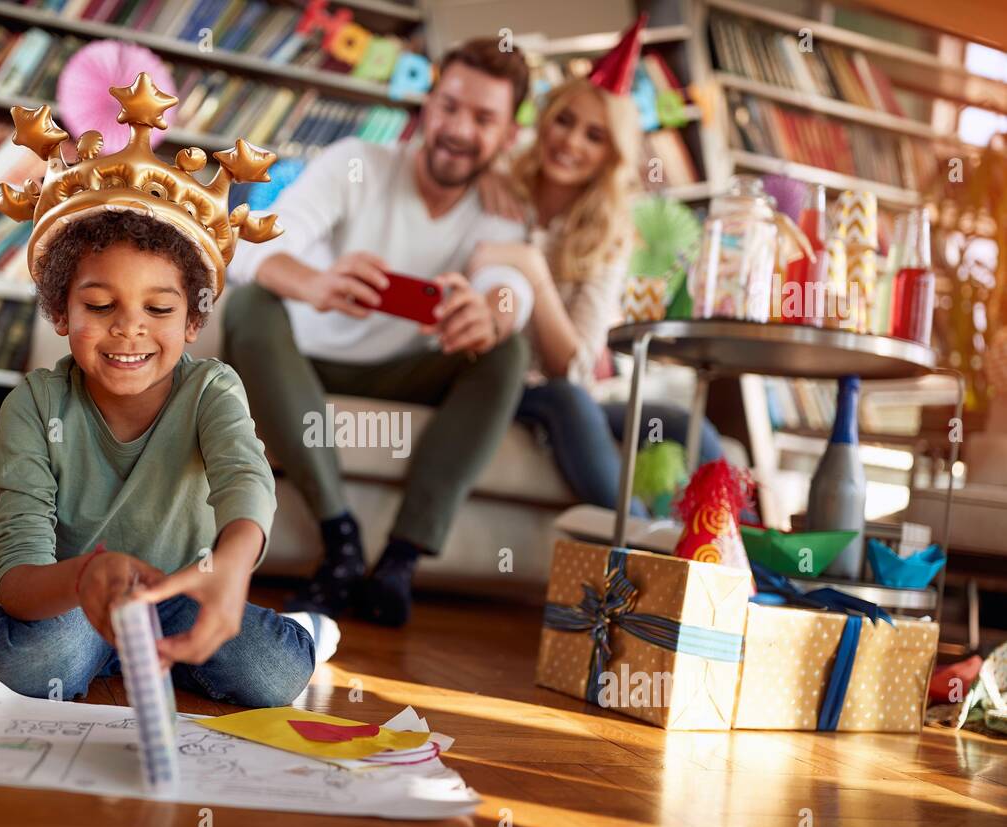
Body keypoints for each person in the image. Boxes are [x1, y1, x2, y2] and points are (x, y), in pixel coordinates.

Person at [0, 74, 336, 706]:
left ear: (193, 321)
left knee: (272, 674)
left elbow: (247, 481)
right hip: (68, 604)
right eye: (100, 303)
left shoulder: (213, 388)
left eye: (159, 310)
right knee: (40, 666)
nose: (129, 326)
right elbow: (17, 580)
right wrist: (85, 576)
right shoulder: (34, 404)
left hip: (177, 600)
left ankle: (292, 632)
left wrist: (233, 568)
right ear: (60, 313)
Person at [222, 38, 536, 627]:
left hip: (406, 370)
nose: (459, 129)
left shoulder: (502, 207)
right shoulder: (356, 162)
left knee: (508, 349)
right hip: (304, 363)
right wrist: (314, 282)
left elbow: (510, 285)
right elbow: (251, 246)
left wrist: (490, 312)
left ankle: (401, 559)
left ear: (507, 136)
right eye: (449, 107)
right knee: (252, 307)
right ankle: (340, 539)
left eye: (483, 118)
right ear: (427, 105)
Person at [471, 22, 724, 517]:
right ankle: (638, 537)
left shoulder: (609, 236)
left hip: (566, 388)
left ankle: (722, 552)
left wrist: (532, 272)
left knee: (691, 429)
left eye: (594, 135)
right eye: (564, 121)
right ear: (545, 122)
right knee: (566, 401)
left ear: (612, 153)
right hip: (500, 382)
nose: (571, 143)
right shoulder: (498, 189)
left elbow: (575, 362)